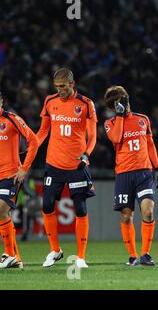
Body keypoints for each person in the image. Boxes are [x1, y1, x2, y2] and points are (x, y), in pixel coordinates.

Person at [36, 68, 97, 268]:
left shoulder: (86, 104)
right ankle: (55, 251)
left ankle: (81, 256)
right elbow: (43, 130)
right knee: (46, 205)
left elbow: (93, 135)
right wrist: (32, 146)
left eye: (63, 86)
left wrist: (87, 154)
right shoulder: (49, 101)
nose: (60, 90)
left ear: (72, 84)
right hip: (53, 164)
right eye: (57, 87)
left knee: (80, 208)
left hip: (76, 165)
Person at [104, 86, 158, 266]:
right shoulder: (110, 123)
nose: (123, 104)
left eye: (124, 100)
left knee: (148, 211)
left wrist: (157, 167)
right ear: (113, 107)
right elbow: (116, 139)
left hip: (144, 173)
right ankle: (132, 255)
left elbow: (150, 144)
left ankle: (146, 254)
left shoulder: (143, 119)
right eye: (118, 103)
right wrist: (120, 116)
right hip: (123, 174)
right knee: (127, 216)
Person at [0, 91, 38, 269]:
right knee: (2, 215)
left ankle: (8, 254)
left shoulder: (11, 119)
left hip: (10, 175)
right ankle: (16, 258)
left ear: (1, 101)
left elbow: (34, 141)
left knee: (0, 210)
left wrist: (24, 168)